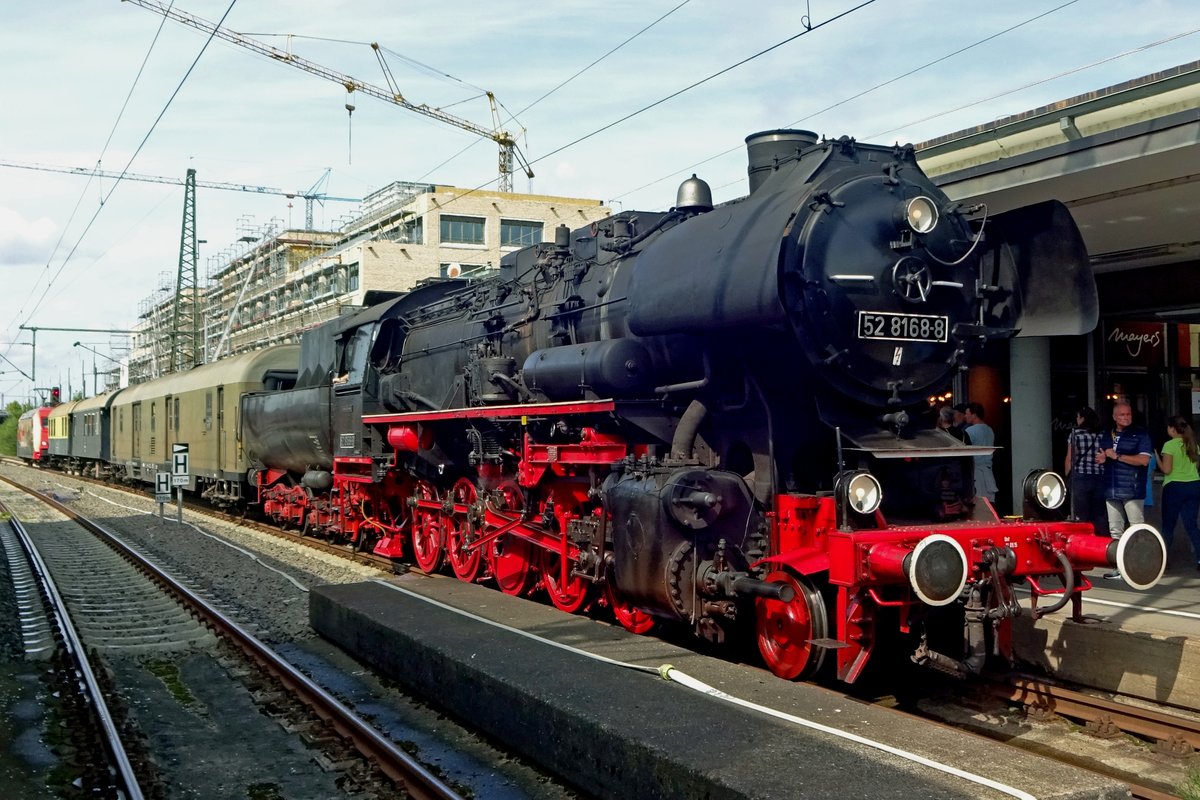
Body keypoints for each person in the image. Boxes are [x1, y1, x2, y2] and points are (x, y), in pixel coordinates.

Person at [1097, 401, 1153, 537]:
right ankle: (1118, 558)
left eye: (1128, 414)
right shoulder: (1107, 434)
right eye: (1122, 414)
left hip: (1131, 489)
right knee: (1115, 530)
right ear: (1114, 417)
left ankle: (1138, 557)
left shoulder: (1140, 434)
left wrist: (1118, 456)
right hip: (1111, 489)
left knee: (1136, 529)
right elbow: (1105, 456)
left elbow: (1144, 460)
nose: (1126, 417)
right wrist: (1103, 459)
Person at [1157, 415, 1200, 569]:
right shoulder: (1193, 445)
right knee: (1192, 525)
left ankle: (1163, 561)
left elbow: (1167, 470)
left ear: (1172, 429)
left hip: (1174, 487)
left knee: (1168, 526)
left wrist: (1157, 457)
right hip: (1194, 486)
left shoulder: (1169, 445)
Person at [1064, 406, 1107, 537]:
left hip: (1080, 477)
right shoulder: (1102, 434)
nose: (1077, 420)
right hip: (1099, 477)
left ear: (1082, 418)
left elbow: (1070, 458)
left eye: (1078, 417)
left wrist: (1067, 475)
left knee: (1080, 514)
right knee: (1099, 514)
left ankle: (1083, 540)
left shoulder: (1075, 434)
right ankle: (1100, 541)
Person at [963, 402, 996, 503]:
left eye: (967, 413)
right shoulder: (989, 430)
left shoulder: (970, 431)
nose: (965, 416)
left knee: (978, 502)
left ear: (974, 415)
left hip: (976, 471)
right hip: (988, 469)